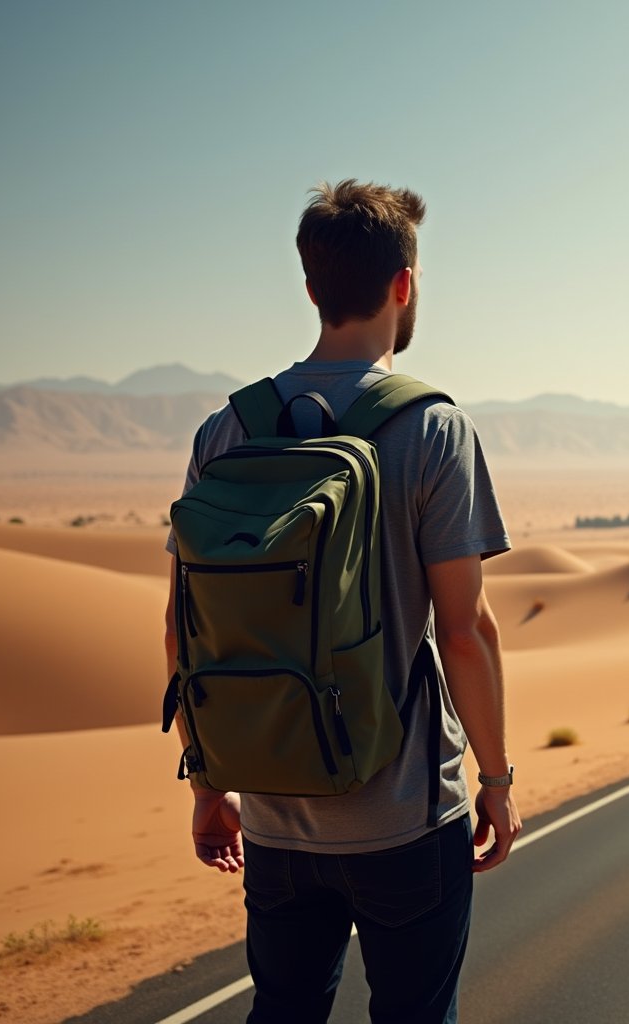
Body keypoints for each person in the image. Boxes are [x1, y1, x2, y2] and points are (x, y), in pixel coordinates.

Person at [163, 179, 520, 1023]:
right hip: (406, 820)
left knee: (283, 1011)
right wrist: (497, 780)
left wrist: (208, 787)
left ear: (311, 284)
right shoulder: (433, 429)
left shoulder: (227, 430)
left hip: (277, 821)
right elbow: (465, 631)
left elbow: (185, 624)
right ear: (404, 284)